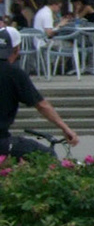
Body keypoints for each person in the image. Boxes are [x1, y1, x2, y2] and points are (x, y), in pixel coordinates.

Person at [0, 27, 79, 158]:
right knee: (46, 156)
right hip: (2, 140)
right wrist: (65, 128)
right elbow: (42, 105)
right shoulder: (14, 73)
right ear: (17, 48)